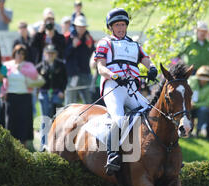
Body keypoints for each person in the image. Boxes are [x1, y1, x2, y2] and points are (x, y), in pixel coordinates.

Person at [94, 8, 158, 175]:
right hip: (113, 87)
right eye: (117, 25)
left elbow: (146, 60)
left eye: (123, 24)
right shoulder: (104, 43)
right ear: (111, 27)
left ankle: (158, 153)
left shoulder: (134, 45)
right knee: (118, 118)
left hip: (131, 88)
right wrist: (114, 76)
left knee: (153, 114)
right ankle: (113, 155)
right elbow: (100, 67)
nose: (121, 28)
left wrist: (152, 69)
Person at [3, 44, 38, 148]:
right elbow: (3, 79)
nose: (20, 55)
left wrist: (21, 68)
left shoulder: (28, 65)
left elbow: (34, 75)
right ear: (14, 53)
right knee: (11, 123)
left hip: (25, 97)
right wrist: (3, 92)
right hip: (11, 97)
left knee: (24, 123)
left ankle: (24, 148)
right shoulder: (8, 65)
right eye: (18, 53)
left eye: (22, 53)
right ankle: (11, 148)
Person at [36, 44, 67, 148]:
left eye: (52, 53)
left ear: (55, 54)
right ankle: (44, 145)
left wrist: (62, 91)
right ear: (45, 54)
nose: (50, 55)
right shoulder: (40, 66)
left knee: (58, 118)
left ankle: (57, 144)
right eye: (48, 53)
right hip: (44, 94)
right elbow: (35, 80)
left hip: (57, 93)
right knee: (45, 119)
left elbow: (65, 80)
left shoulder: (61, 65)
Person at [64, 15, 95, 105]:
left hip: (86, 73)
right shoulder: (68, 38)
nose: (81, 29)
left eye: (83, 27)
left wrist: (90, 47)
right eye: (79, 26)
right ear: (75, 26)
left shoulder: (89, 38)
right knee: (71, 100)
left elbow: (93, 54)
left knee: (89, 100)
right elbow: (65, 55)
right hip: (73, 74)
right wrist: (72, 46)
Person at [189, 65, 209, 137]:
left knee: (204, 110)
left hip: (200, 107)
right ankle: (187, 130)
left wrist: (195, 105)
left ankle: (198, 130)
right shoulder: (192, 80)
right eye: (202, 75)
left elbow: (208, 102)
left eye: (206, 76)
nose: (204, 77)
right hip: (189, 104)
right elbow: (186, 92)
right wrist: (190, 103)